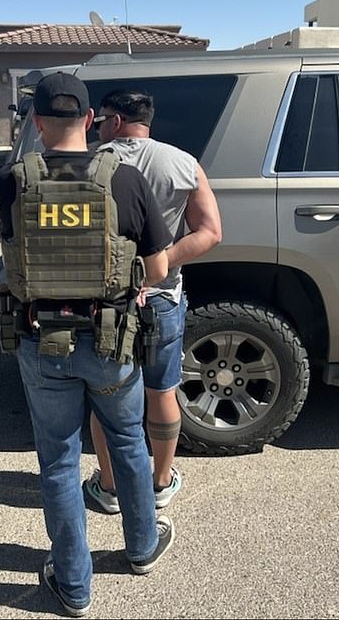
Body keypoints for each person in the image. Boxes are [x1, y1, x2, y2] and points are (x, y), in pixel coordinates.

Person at [0, 72, 175, 617]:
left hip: (40, 341)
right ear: (92, 120)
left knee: (58, 461)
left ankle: (73, 586)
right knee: (126, 441)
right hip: (111, 339)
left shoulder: (11, 179)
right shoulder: (124, 179)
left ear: (37, 123)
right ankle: (141, 549)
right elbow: (160, 269)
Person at [84, 89, 222, 513]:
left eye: (103, 119)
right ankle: (161, 481)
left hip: (101, 300)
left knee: (107, 393)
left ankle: (109, 487)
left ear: (116, 121)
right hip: (161, 296)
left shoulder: (88, 162)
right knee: (162, 391)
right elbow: (210, 232)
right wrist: (157, 265)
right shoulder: (183, 162)